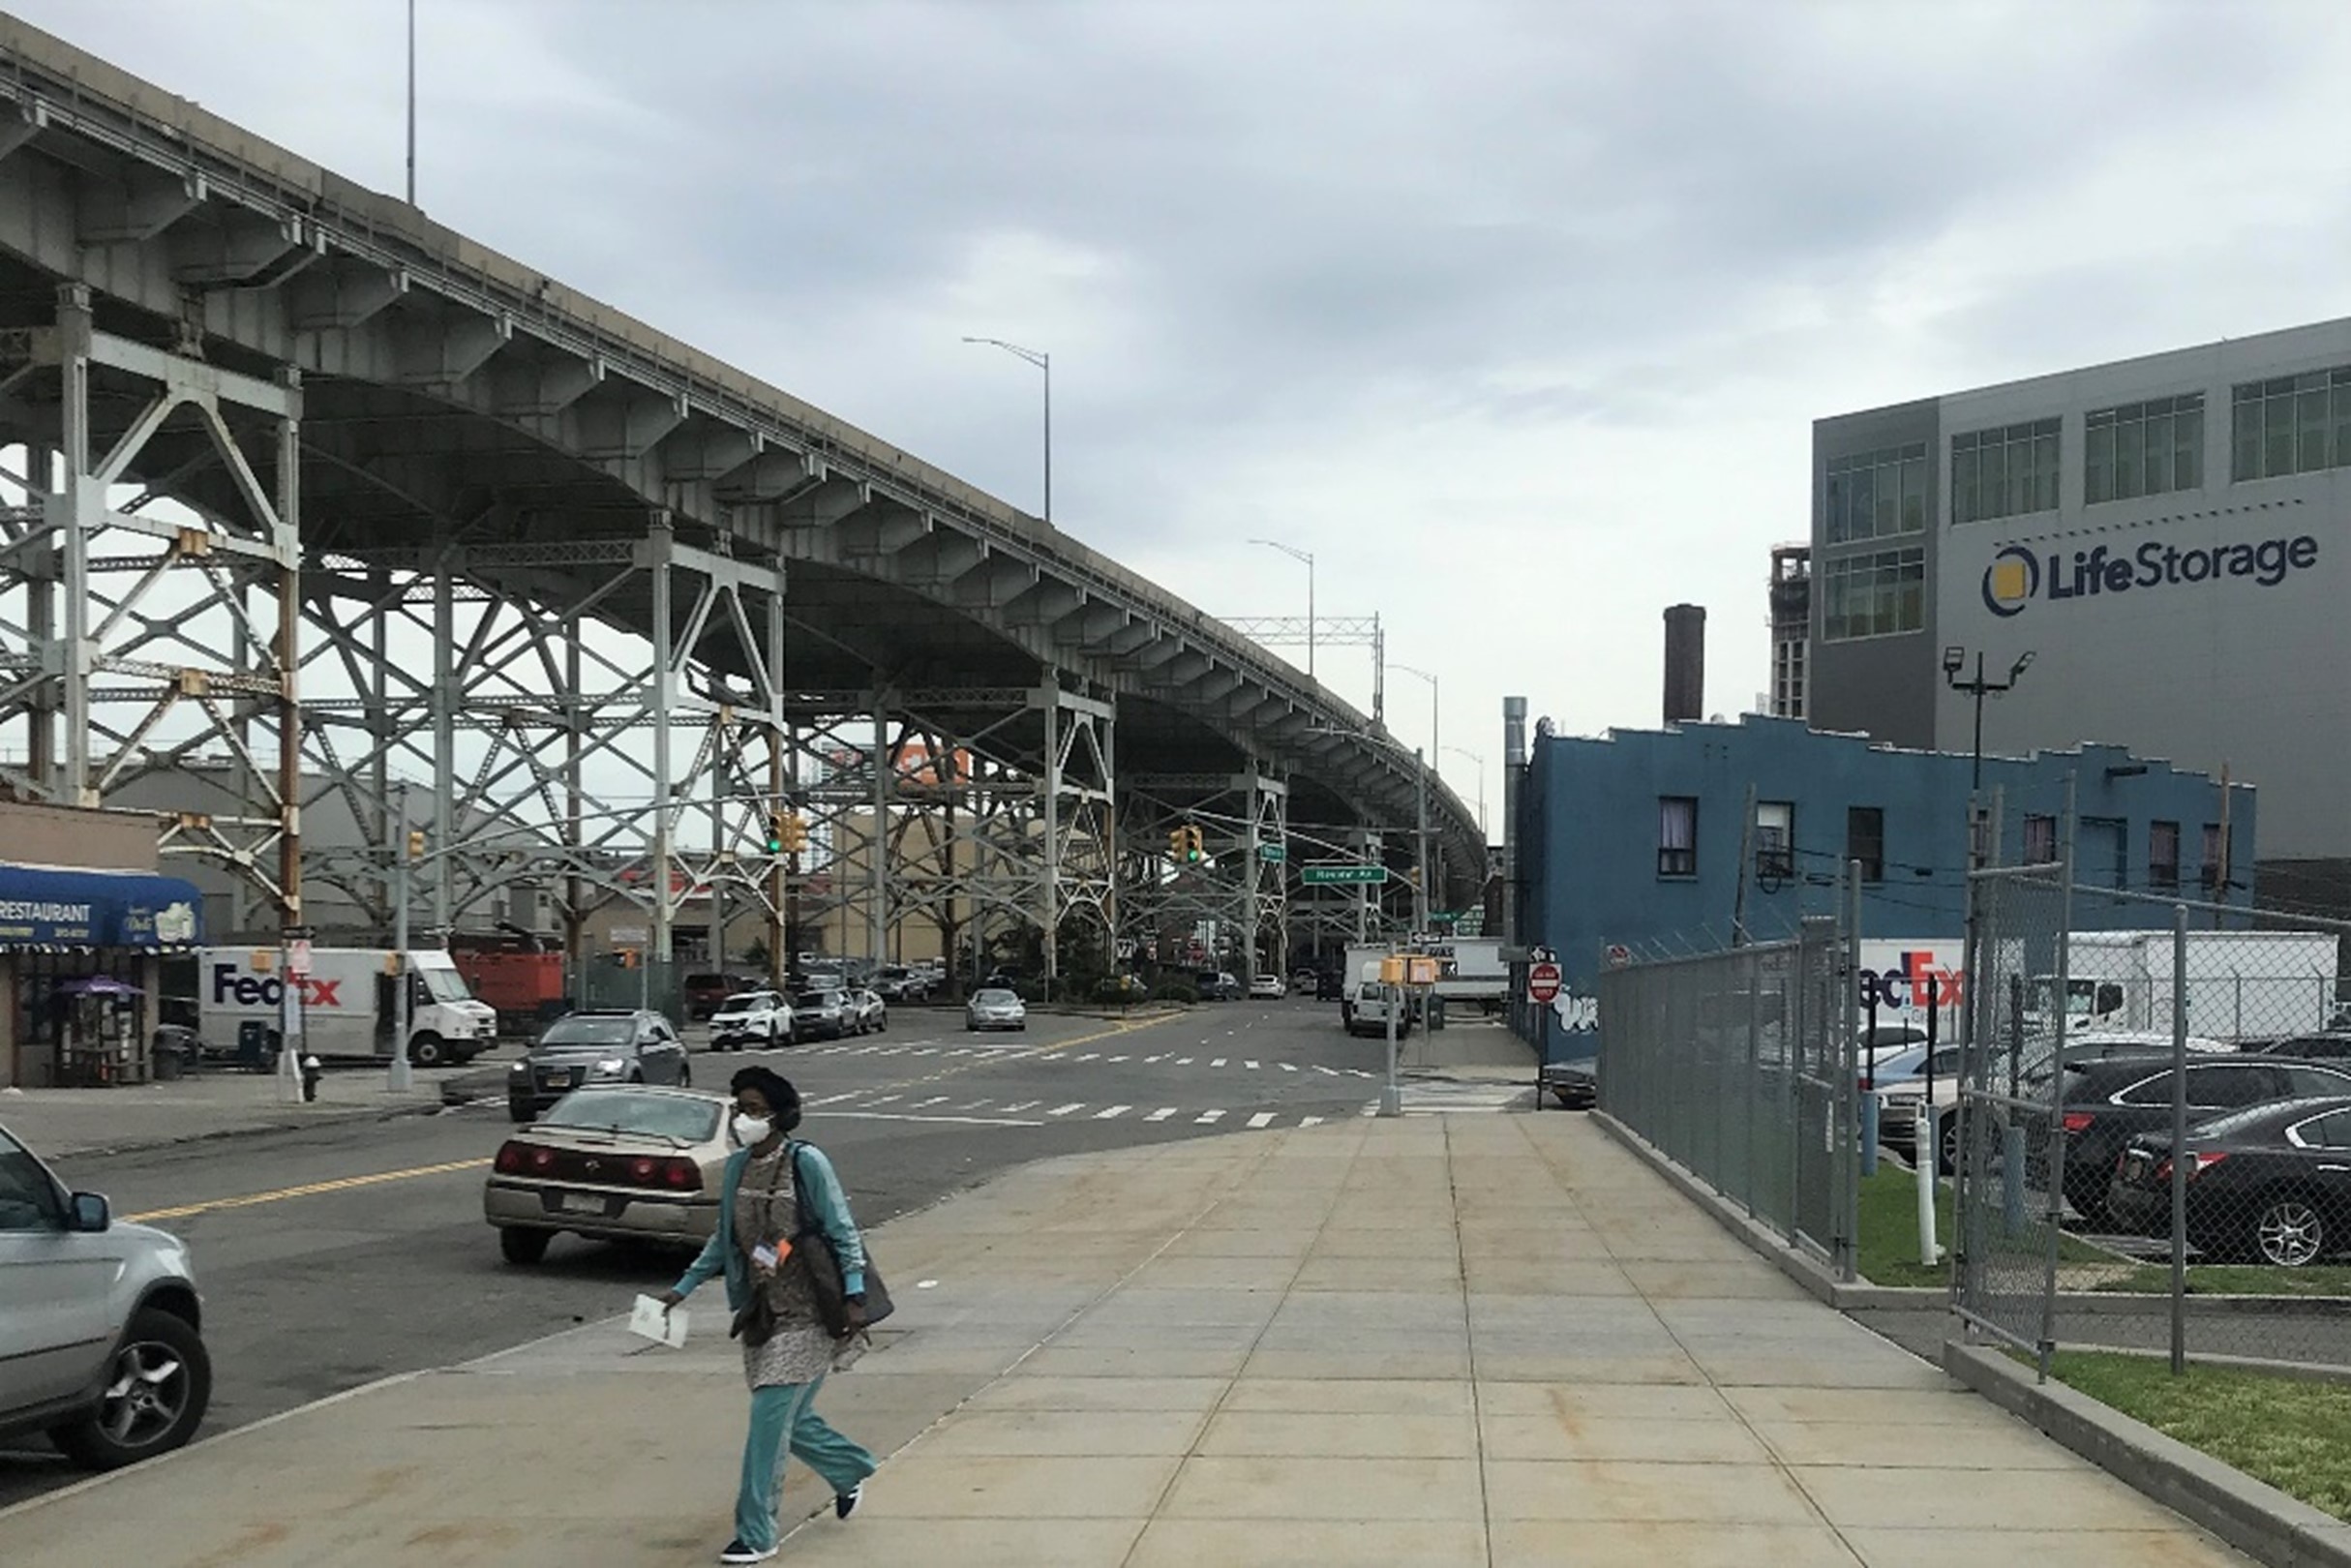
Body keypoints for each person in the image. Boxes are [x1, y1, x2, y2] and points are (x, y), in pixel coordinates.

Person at [658, 1066, 877, 1565]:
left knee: (766, 1425)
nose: (745, 1118)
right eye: (740, 1108)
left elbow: (842, 1229)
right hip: (763, 1312)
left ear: (780, 1116)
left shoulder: (806, 1162)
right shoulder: (737, 1167)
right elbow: (724, 1240)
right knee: (789, 1421)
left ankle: (757, 1534)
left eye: (755, 1109)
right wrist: (682, 1288)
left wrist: (855, 1294)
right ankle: (850, 1468)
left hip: (810, 1313)